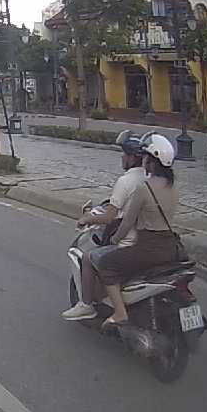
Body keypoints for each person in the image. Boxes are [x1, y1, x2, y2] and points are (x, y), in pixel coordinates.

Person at [65, 134, 182, 326]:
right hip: (170, 245)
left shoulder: (144, 188)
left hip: (147, 246)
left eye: (146, 157)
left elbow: (127, 222)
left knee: (104, 263)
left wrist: (114, 240)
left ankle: (118, 312)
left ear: (151, 161)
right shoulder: (174, 187)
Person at [62, 131, 149, 322]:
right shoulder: (149, 179)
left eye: (124, 154)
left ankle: (86, 305)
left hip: (128, 242)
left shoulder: (126, 182)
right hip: (148, 241)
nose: (122, 157)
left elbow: (109, 217)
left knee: (89, 258)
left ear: (132, 157)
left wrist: (87, 219)